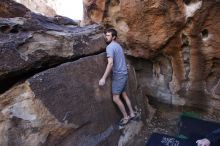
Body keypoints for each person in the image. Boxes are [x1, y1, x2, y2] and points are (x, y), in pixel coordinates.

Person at [99, 28, 136, 126]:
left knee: (115, 98)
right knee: (124, 94)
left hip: (119, 75)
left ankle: (125, 117)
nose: (106, 37)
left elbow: (110, 63)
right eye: (105, 35)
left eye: (108, 35)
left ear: (113, 37)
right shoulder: (118, 45)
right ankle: (132, 113)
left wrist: (103, 78)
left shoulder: (110, 47)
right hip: (124, 74)